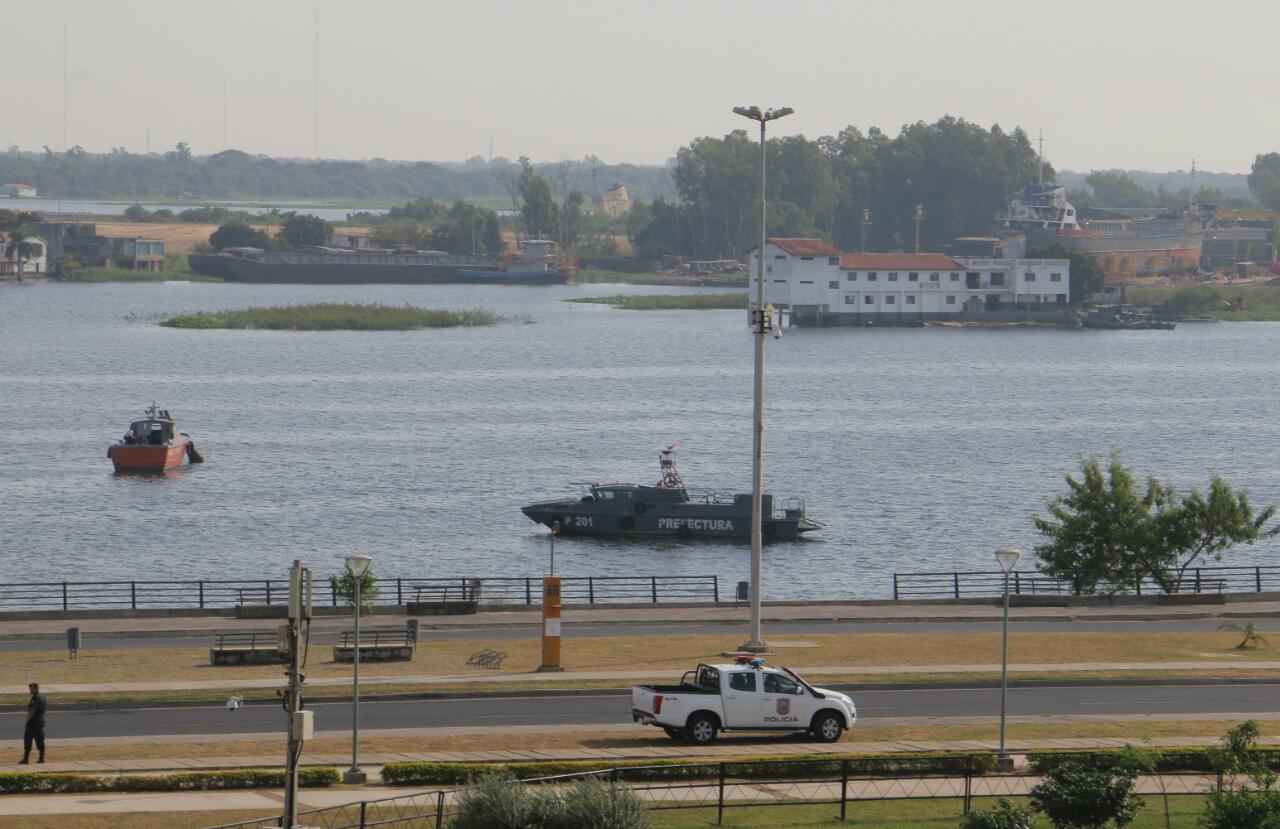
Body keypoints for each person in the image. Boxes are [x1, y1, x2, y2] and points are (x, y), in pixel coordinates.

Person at [19, 683, 45, 765]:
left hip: (33, 722)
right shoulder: (42, 696)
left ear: (37, 688)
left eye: (32, 689)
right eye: (30, 689)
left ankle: (25, 759)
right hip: (40, 721)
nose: (30, 691)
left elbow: (31, 710)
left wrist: (28, 718)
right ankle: (41, 758)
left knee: (28, 739)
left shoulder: (35, 698)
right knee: (40, 739)